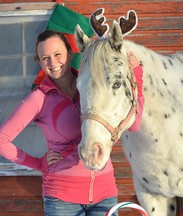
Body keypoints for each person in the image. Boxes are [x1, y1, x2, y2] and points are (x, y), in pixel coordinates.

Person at [0, 30, 144, 216]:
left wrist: (137, 76)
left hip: (104, 195)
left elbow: (134, 125)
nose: (53, 63)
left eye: (57, 54)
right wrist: (39, 163)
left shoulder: (92, 85)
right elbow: (2, 140)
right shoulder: (39, 98)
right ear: (40, 62)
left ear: (70, 53)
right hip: (62, 200)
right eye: (46, 58)